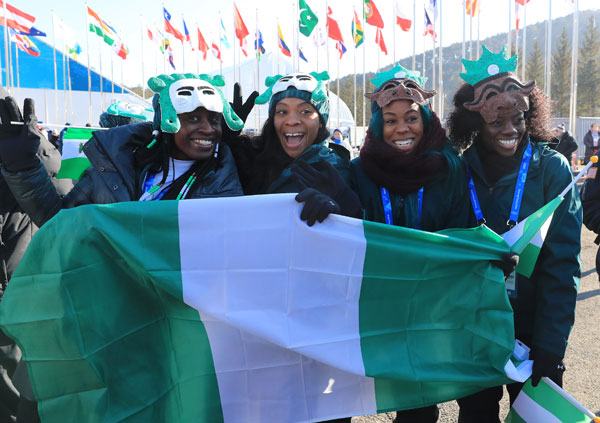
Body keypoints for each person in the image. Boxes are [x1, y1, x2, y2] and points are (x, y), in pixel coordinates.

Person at [447, 46, 582, 423]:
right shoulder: (457, 172)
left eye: (518, 118)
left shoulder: (552, 171)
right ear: (475, 124)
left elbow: (563, 266)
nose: (510, 130)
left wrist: (551, 347)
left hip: (534, 333)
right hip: (475, 333)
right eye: (496, 121)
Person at [350, 65, 469, 423]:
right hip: (377, 308)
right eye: (390, 119)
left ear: (426, 119)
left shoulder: (450, 169)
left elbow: (460, 231)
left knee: (420, 406)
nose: (401, 128)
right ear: (377, 124)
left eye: (411, 117)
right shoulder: (358, 171)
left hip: (430, 308)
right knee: (367, 393)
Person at [0, 72, 244, 230]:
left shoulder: (227, 177)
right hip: (115, 303)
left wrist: (239, 143)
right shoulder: (114, 167)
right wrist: (24, 167)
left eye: (214, 119)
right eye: (193, 118)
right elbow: (59, 224)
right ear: (164, 121)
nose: (208, 129)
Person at [224, 72, 361, 226]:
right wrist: (226, 143)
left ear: (321, 121)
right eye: (282, 111)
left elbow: (364, 232)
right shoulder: (251, 161)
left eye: (305, 112)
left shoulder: (338, 171)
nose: (292, 121)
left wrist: (344, 211)